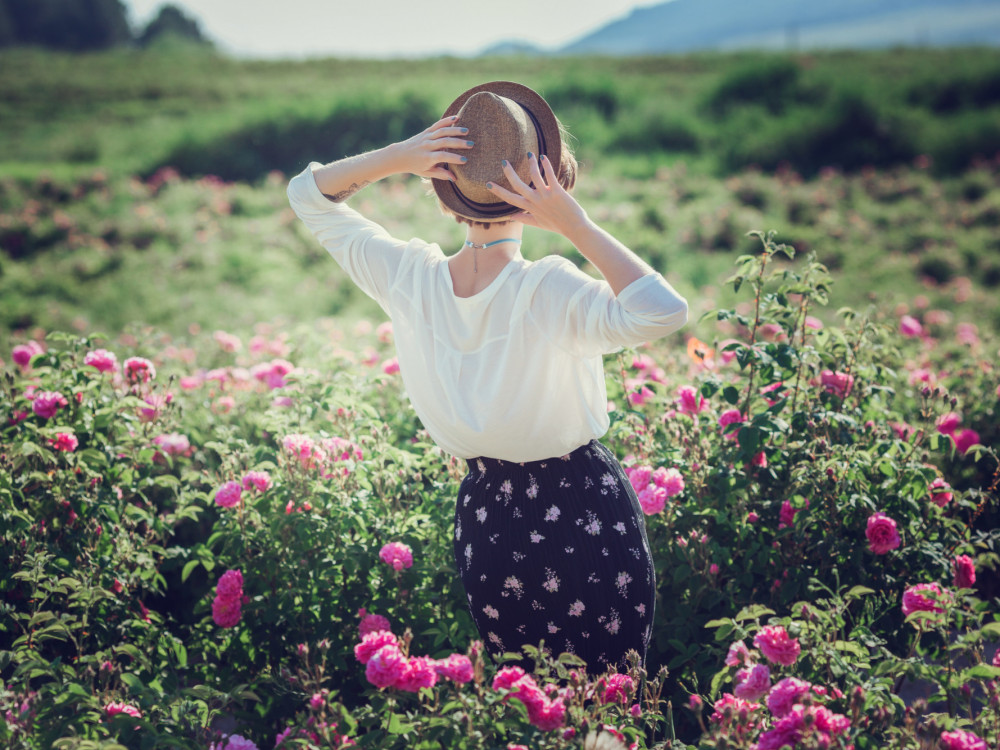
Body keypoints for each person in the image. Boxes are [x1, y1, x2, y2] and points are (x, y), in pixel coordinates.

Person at [287, 81, 688, 674]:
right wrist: (574, 224)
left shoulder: (408, 277)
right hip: (582, 505)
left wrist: (402, 155)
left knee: (526, 705)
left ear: (444, 191)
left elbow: (308, 195)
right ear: (547, 188)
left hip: (486, 515)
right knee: (611, 698)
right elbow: (664, 310)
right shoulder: (545, 288)